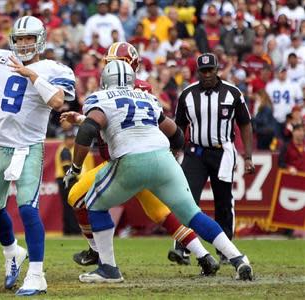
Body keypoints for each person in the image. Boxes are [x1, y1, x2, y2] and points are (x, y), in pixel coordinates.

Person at [63, 60, 253, 283]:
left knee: (94, 203)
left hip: (130, 159)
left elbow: (88, 130)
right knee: (193, 214)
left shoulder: (100, 98)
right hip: (163, 158)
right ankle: (237, 258)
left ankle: (108, 269)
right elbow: (176, 134)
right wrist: (169, 158)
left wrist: (75, 167)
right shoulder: (146, 98)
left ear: (106, 80)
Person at [0, 16, 76, 296]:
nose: (23, 44)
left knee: (27, 208)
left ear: (40, 40)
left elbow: (58, 102)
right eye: (19, 38)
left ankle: (36, 275)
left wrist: (31, 74)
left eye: (28, 38)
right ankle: (12, 253)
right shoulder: (0, 59)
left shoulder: (53, 68)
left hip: (28, 146)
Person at [172, 53, 255, 264]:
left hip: (222, 151)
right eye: (203, 71)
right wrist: (175, 150)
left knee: (223, 200)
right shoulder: (187, 94)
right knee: (185, 198)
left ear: (217, 70)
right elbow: (179, 125)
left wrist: (247, 156)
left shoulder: (233, 93)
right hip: (196, 151)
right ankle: (183, 246)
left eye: (211, 70)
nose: (207, 74)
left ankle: (226, 249)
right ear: (198, 72)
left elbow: (245, 123)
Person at [55, 129, 94, 235]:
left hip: (68, 180)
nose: (70, 141)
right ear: (65, 140)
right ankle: (73, 230)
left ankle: (68, 230)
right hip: (67, 180)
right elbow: (66, 169)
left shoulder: (69, 149)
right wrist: (75, 181)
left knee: (69, 207)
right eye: (68, 139)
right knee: (72, 207)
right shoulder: (65, 150)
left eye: (72, 138)